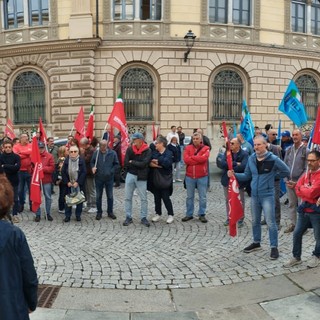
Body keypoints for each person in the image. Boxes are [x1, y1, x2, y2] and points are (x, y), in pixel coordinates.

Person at [228, 135, 290, 260]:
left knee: (270, 222)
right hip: (255, 195)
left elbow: (286, 171)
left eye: (259, 144)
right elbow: (246, 175)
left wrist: (273, 177)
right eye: (255, 145)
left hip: (267, 195)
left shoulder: (273, 159)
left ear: (265, 145)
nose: (256, 147)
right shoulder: (251, 158)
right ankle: (256, 242)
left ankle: (274, 247)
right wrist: (234, 175)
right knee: (255, 221)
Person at [0, 175, 38, 319]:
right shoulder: (15, 235)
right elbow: (29, 275)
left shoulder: (15, 235)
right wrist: (31, 302)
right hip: (11, 308)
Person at [283, 150, 320, 269]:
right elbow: (298, 189)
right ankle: (296, 257)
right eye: (308, 160)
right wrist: (304, 189)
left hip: (316, 212)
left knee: (318, 236)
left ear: (319, 161)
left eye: (312, 160)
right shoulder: (306, 173)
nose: (309, 162)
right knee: (297, 233)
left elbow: (312, 192)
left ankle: (317, 256)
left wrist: (304, 189)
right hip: (304, 210)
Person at [123, 132, 152, 227]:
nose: (133, 141)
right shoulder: (130, 149)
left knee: (143, 198)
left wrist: (133, 162)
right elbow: (126, 162)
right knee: (127, 197)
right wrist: (136, 163)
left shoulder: (148, 150)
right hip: (130, 175)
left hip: (142, 176)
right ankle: (128, 217)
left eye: (135, 140)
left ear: (140, 140)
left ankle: (143, 217)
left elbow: (144, 164)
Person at [182, 132, 210, 223]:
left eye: (197, 138)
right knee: (189, 197)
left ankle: (202, 214)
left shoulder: (206, 148)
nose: (195, 140)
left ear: (201, 139)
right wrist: (197, 158)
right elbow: (186, 160)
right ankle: (189, 214)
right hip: (190, 176)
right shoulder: (187, 148)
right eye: (193, 139)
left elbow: (204, 159)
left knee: (203, 197)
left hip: (202, 176)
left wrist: (192, 158)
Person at [283, 129, 309, 233]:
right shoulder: (289, 150)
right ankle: (293, 224)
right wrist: (286, 180)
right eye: (293, 135)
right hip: (289, 183)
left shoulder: (306, 150)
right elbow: (284, 166)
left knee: (301, 204)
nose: (294, 137)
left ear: (301, 136)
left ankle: (302, 226)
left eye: (296, 135)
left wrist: (298, 182)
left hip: (300, 184)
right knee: (291, 204)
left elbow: (307, 169)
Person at [220, 138, 248, 227]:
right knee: (228, 200)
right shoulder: (227, 152)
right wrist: (236, 163)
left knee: (240, 200)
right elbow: (223, 164)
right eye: (230, 143)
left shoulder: (244, 154)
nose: (230, 145)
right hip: (227, 179)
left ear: (238, 145)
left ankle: (240, 218)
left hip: (239, 180)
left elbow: (243, 166)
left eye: (232, 143)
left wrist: (231, 167)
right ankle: (229, 217)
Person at [91, 139, 119, 220]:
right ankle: (99, 212)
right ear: (99, 146)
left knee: (110, 196)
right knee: (98, 196)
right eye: (101, 146)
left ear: (107, 145)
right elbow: (92, 162)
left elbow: (116, 164)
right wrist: (93, 167)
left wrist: (111, 171)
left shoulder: (113, 153)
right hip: (98, 178)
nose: (103, 148)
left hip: (109, 178)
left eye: (104, 146)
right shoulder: (96, 153)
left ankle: (110, 212)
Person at [149, 136, 174, 224]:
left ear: (162, 144)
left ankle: (170, 214)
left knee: (166, 197)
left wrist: (157, 161)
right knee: (157, 197)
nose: (155, 144)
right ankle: (158, 213)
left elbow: (167, 163)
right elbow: (150, 162)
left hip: (165, 179)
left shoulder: (169, 152)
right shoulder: (154, 152)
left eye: (157, 143)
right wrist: (158, 163)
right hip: (155, 178)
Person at [62, 145, 86, 222]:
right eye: (71, 152)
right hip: (69, 183)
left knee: (79, 199)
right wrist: (67, 182)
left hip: (78, 184)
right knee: (68, 200)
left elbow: (84, 172)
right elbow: (63, 172)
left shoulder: (81, 160)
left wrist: (78, 182)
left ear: (78, 152)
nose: (73, 153)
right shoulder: (66, 161)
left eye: (75, 151)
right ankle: (67, 216)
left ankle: (78, 215)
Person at [34, 141, 55, 222]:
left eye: (42, 147)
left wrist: (42, 169)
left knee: (48, 197)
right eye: (39, 148)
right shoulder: (34, 156)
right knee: (37, 198)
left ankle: (48, 213)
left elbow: (52, 168)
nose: (41, 149)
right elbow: (31, 167)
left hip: (46, 180)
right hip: (36, 180)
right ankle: (37, 214)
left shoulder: (49, 156)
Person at [0, 140, 21, 223]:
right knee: (4, 198)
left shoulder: (16, 157)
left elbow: (17, 168)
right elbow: (0, 169)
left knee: (15, 198)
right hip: (3, 181)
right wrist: (12, 167)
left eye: (9, 147)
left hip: (14, 180)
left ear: (12, 147)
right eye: (6, 147)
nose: (8, 149)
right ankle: (5, 214)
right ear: (3, 148)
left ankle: (15, 215)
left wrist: (5, 166)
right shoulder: (0, 157)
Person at [13, 133, 32, 213]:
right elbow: (16, 156)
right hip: (20, 171)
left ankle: (32, 205)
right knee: (20, 190)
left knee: (31, 189)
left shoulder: (31, 145)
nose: (26, 138)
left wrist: (22, 153)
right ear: (20, 138)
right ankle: (21, 204)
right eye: (24, 137)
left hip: (30, 170)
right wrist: (27, 154)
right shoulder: (16, 146)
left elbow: (32, 154)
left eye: (27, 137)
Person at [80, 137, 96, 213]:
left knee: (92, 190)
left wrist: (82, 153)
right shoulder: (87, 150)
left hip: (90, 173)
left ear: (85, 144)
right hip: (86, 173)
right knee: (87, 191)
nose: (81, 146)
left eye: (82, 144)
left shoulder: (91, 150)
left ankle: (94, 206)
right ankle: (89, 205)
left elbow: (86, 159)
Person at [54, 145, 67, 214]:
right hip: (62, 179)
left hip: (62, 179)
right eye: (67, 150)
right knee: (63, 193)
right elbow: (60, 171)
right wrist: (60, 179)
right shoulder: (62, 160)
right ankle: (61, 207)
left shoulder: (61, 159)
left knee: (63, 193)